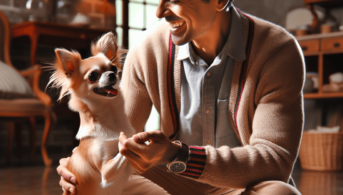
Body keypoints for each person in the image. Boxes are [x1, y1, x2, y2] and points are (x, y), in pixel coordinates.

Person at [57, 0, 305, 194]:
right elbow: (116, 140)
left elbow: (275, 162)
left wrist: (179, 156)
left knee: (280, 193)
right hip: (169, 184)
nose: (159, 12)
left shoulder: (277, 50)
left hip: (244, 186)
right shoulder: (146, 49)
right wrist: (78, 165)